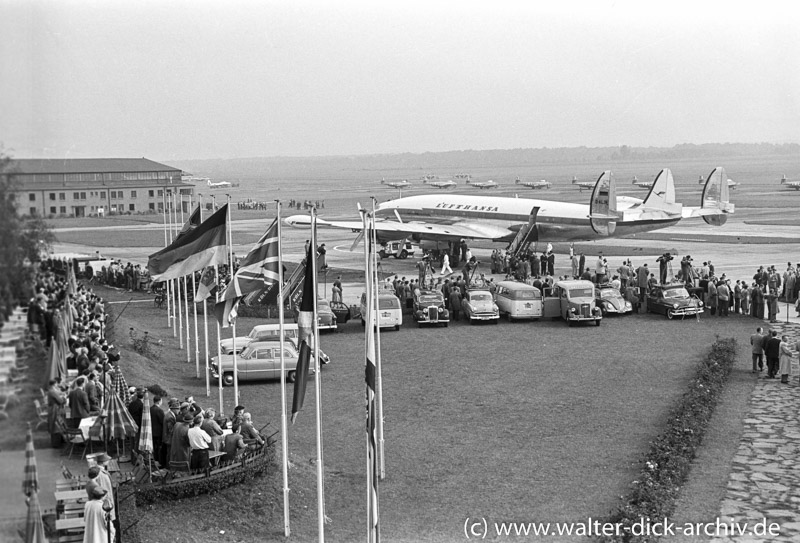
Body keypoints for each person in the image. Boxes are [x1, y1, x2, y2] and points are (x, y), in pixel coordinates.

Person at [46, 378, 67, 448]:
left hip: (53, 409)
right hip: (54, 409)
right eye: (56, 384)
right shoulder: (52, 391)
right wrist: (64, 398)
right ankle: (56, 443)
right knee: (56, 425)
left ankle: (58, 441)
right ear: (54, 384)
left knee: (56, 424)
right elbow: (60, 401)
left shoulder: (51, 390)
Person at [161, 398, 179, 468]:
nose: (178, 411)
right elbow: (171, 430)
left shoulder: (169, 414)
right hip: (169, 439)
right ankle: (169, 467)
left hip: (167, 438)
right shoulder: (170, 417)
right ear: (174, 409)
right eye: (178, 409)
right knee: (170, 454)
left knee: (169, 453)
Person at [150, 395, 165, 461]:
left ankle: (155, 459)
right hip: (158, 432)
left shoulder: (150, 409)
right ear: (159, 401)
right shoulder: (159, 410)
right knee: (158, 448)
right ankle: (158, 460)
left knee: (154, 447)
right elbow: (163, 422)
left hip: (151, 431)